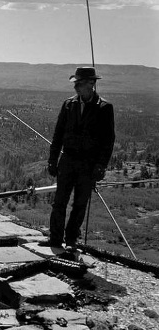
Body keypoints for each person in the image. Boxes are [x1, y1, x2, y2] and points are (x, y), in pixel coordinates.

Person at [47, 67, 115, 249]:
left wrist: (101, 165)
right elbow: (58, 134)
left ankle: (70, 240)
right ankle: (55, 239)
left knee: (80, 204)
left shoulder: (104, 108)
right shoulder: (69, 104)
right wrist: (52, 160)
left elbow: (108, 140)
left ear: (91, 84)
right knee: (59, 201)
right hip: (67, 160)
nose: (75, 87)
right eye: (75, 83)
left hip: (88, 164)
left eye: (79, 83)